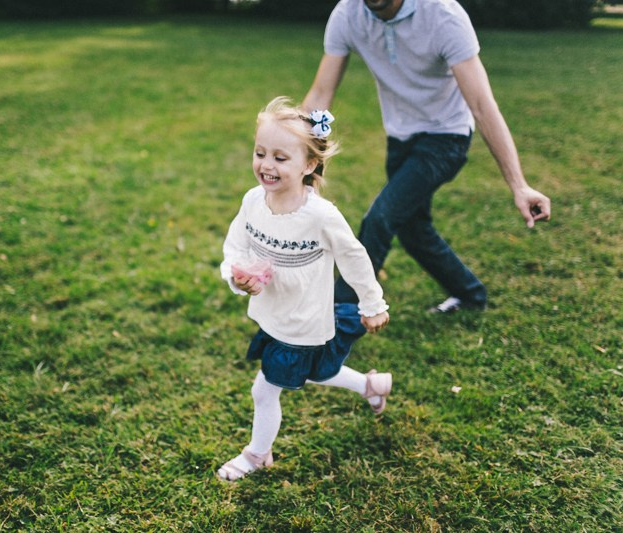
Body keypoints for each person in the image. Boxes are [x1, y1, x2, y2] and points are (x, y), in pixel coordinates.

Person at [302, 0, 552, 313]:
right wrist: (295, 161)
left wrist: (519, 185)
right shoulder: (348, 14)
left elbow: (482, 105)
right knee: (412, 230)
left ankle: (339, 316)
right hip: (400, 136)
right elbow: (320, 96)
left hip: (447, 136)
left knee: (380, 219)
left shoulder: (443, 15)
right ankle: (470, 295)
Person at [217, 97, 392, 481]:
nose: (266, 164)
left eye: (280, 158)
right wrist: (236, 275)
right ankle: (370, 386)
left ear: (309, 165)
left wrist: (372, 303)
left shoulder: (320, 216)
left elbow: (354, 257)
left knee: (265, 391)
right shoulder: (253, 201)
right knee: (314, 371)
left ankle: (256, 454)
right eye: (260, 153)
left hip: (302, 320)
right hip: (274, 314)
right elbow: (236, 245)